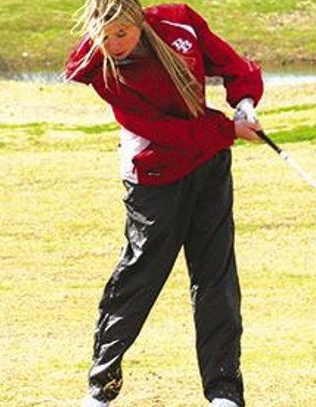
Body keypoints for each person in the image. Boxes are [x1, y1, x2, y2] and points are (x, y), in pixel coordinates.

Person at [64, 1, 263, 406]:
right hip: (155, 177)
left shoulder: (178, 21)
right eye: (105, 37)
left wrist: (244, 101)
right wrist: (229, 130)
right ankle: (100, 388)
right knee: (140, 277)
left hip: (208, 167)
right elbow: (164, 131)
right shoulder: (102, 71)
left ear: (138, 22)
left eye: (122, 33)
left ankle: (224, 392)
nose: (114, 44)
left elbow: (231, 64)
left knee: (216, 277)